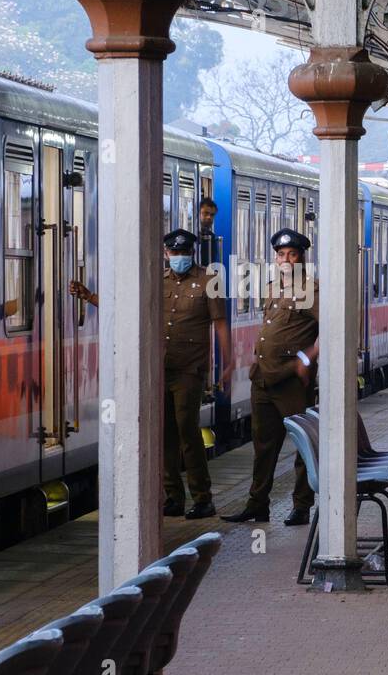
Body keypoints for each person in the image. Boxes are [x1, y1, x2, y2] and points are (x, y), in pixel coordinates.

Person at [69, 228, 233, 520]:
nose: (179, 257)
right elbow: (128, 309)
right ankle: (173, 497)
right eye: (175, 253)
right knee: (165, 433)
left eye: (184, 253)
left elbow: (220, 323)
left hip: (190, 370)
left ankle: (202, 497)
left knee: (187, 430)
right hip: (160, 368)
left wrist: (228, 363)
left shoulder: (209, 280)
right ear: (166, 253)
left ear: (191, 253)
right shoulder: (157, 280)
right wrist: (91, 297)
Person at [222, 228, 318, 527]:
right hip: (263, 377)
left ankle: (301, 506)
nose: (285, 260)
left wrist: (305, 359)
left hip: (291, 380)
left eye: (291, 254)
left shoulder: (312, 291)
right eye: (280, 255)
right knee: (263, 445)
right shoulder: (271, 288)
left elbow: (333, 328)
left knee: (303, 443)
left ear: (302, 258)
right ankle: (257, 504)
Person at [197, 197, 219, 268]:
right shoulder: (190, 235)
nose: (209, 217)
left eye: (212, 215)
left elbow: (212, 262)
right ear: (198, 213)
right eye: (206, 213)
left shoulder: (211, 236)